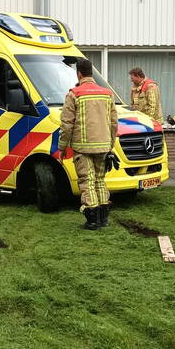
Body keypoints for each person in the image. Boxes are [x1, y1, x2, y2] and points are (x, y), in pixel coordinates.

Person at [55, 58, 119, 230]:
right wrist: (111, 144)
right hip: (103, 145)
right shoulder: (107, 94)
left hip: (82, 147)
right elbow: (114, 123)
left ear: (79, 74)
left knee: (87, 181)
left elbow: (67, 124)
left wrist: (62, 147)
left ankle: (92, 220)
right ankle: (103, 218)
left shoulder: (74, 94)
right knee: (99, 180)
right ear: (91, 72)